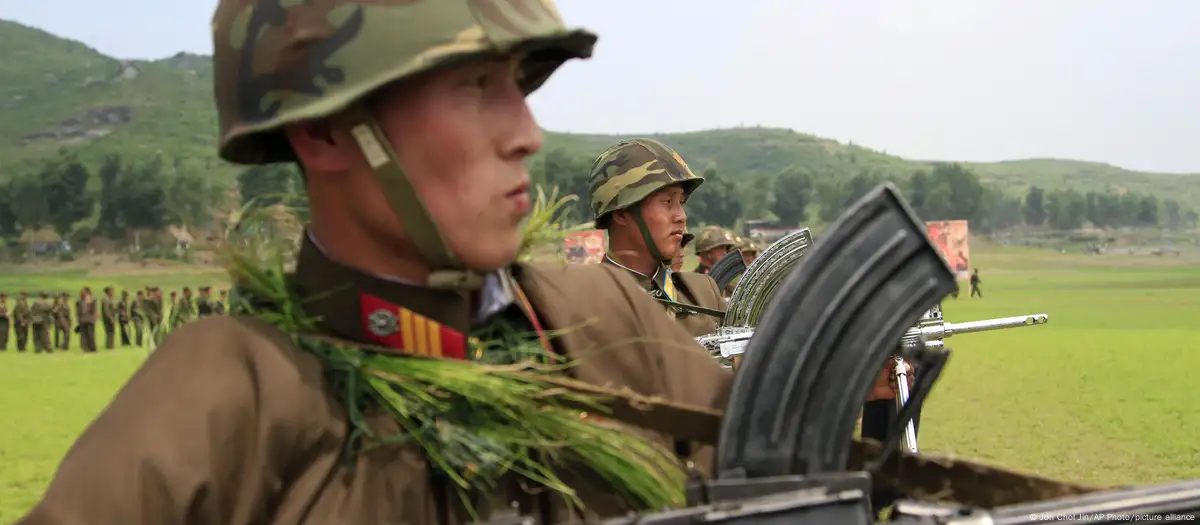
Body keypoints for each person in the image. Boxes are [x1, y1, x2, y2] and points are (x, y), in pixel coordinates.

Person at [18, 3, 730, 523]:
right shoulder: (230, 395)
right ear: (327, 132)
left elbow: (786, 462)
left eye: (517, 83)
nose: (527, 132)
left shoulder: (607, 318)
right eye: (476, 88)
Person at [589, 139, 725, 337]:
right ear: (621, 212)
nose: (681, 216)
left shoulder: (703, 293)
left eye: (681, 202)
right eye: (667, 201)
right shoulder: (584, 301)